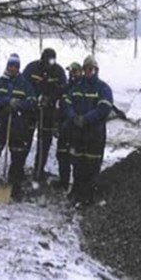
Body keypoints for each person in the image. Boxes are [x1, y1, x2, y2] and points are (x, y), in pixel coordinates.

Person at [0, 53, 36, 200]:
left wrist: (18, 105)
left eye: (15, 66)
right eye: (10, 65)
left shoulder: (25, 84)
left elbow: (32, 102)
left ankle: (14, 187)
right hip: (0, 123)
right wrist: (6, 101)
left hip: (18, 125)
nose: (12, 68)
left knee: (18, 156)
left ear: (19, 68)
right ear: (7, 66)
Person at [64, 55, 113, 205]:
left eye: (91, 69)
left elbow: (104, 108)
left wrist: (86, 119)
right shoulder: (77, 87)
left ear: (96, 70)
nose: (88, 72)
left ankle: (90, 196)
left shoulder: (103, 88)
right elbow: (67, 103)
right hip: (78, 132)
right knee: (78, 163)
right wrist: (73, 117)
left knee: (92, 165)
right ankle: (77, 193)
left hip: (95, 133)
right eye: (86, 69)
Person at [22, 48, 67, 181]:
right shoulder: (32, 68)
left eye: (52, 61)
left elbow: (62, 88)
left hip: (48, 111)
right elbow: (24, 85)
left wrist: (50, 98)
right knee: (25, 139)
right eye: (47, 61)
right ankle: (18, 168)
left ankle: (39, 170)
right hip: (31, 109)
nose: (49, 63)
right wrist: (33, 98)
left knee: (44, 142)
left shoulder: (58, 71)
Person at [54, 62, 83, 191]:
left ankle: (77, 184)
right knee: (62, 155)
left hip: (77, 127)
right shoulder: (64, 88)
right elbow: (58, 106)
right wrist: (56, 124)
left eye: (75, 71)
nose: (72, 74)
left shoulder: (83, 88)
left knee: (76, 157)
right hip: (63, 126)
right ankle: (63, 181)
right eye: (70, 71)